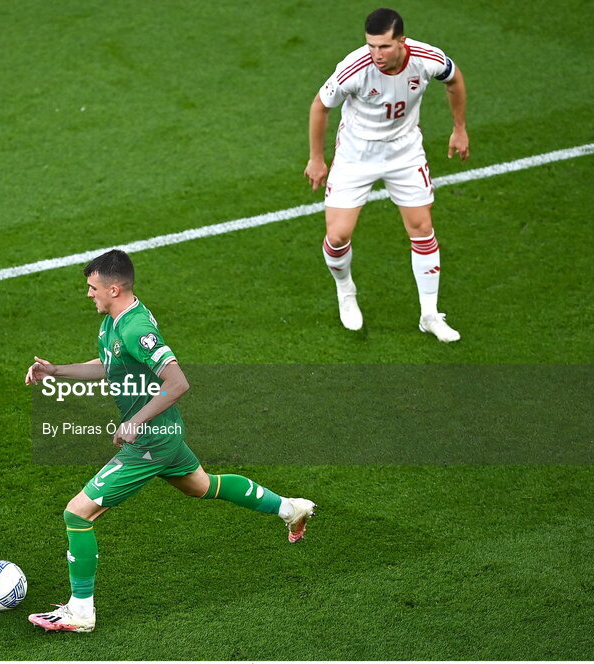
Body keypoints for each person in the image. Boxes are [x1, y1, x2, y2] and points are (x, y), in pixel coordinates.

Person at [23, 249, 315, 633]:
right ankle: (290, 508)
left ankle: (81, 611)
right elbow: (109, 365)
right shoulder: (114, 322)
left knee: (77, 513)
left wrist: (135, 423)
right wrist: (57, 370)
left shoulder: (136, 328)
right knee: (203, 486)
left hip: (151, 441)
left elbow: (178, 382)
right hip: (166, 434)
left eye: (93, 288)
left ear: (114, 288)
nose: (88, 294)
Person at [303, 8, 469, 342]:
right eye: (371, 46)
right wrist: (317, 159)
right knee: (337, 237)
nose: (376, 55)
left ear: (402, 42)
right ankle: (345, 290)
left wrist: (459, 128)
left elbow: (454, 80)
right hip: (356, 154)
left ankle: (430, 315)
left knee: (422, 228)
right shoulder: (355, 68)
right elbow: (320, 106)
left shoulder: (426, 59)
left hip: (404, 151)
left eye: (384, 47)